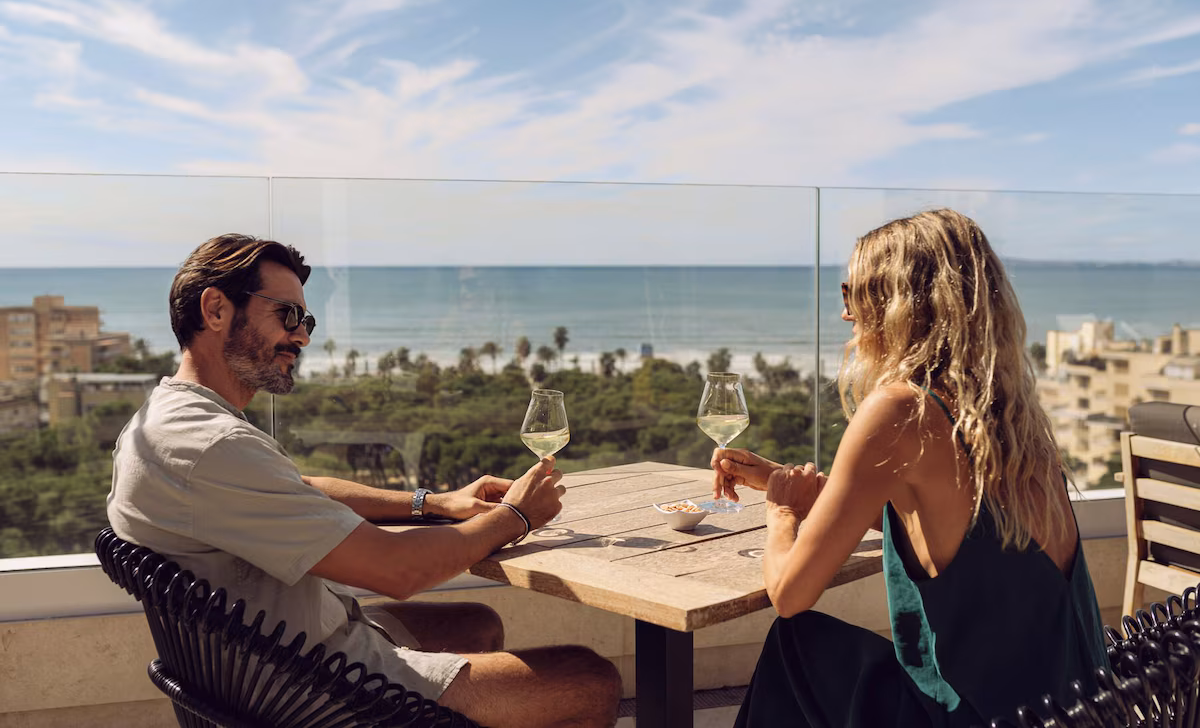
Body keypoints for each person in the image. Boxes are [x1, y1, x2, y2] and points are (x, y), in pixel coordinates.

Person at [107, 234, 621, 728]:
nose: (303, 336)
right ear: (215, 309)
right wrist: (517, 517)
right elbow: (396, 572)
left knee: (476, 622)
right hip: (316, 691)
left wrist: (434, 503)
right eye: (287, 315)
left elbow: (299, 487)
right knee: (588, 681)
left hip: (264, 661)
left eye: (305, 319)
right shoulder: (214, 445)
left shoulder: (171, 422)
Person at [710, 209, 1107, 727]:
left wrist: (782, 512)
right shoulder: (1010, 416)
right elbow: (958, 532)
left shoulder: (900, 411)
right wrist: (815, 495)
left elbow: (789, 594)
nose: (846, 315)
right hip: (1072, 708)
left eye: (852, 294)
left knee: (799, 642)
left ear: (896, 303)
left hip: (974, 717)